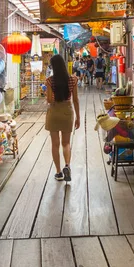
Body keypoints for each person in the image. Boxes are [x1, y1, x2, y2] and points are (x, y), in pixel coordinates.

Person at [45, 54, 80, 182]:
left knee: (55, 144)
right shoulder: (73, 79)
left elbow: (49, 99)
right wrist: (78, 118)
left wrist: (49, 95)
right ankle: (67, 165)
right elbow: (75, 100)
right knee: (66, 143)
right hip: (67, 112)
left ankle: (59, 173)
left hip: (54, 112)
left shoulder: (49, 80)